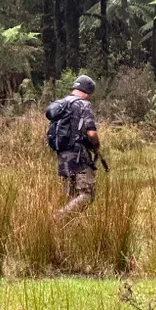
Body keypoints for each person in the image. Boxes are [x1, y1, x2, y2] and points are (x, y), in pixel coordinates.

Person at [46, 75, 102, 219]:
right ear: (87, 92)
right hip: (79, 157)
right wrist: (96, 145)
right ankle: (58, 218)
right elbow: (91, 132)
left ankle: (70, 230)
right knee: (86, 195)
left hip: (62, 155)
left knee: (72, 195)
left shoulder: (63, 104)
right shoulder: (83, 104)